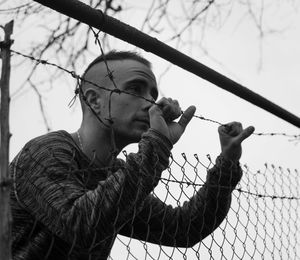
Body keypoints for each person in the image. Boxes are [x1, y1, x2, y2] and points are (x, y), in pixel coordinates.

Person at [10, 51, 255, 260]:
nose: (150, 103)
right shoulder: (47, 151)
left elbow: (184, 228)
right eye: (136, 89)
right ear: (95, 100)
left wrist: (227, 164)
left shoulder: (117, 176)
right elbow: (79, 226)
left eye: (152, 94)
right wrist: (157, 146)